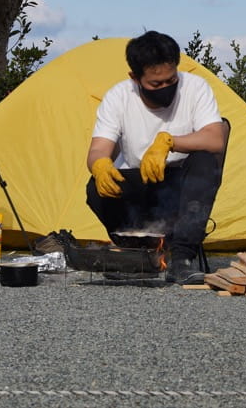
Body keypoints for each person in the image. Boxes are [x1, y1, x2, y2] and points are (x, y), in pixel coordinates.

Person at [85, 30, 227, 284]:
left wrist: (171, 142)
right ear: (135, 78)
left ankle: (182, 259)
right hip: (141, 187)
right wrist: (100, 164)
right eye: (155, 84)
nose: (165, 88)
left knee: (205, 162)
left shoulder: (195, 88)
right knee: (96, 186)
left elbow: (216, 138)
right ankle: (137, 256)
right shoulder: (118, 97)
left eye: (170, 81)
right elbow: (98, 150)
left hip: (183, 189)